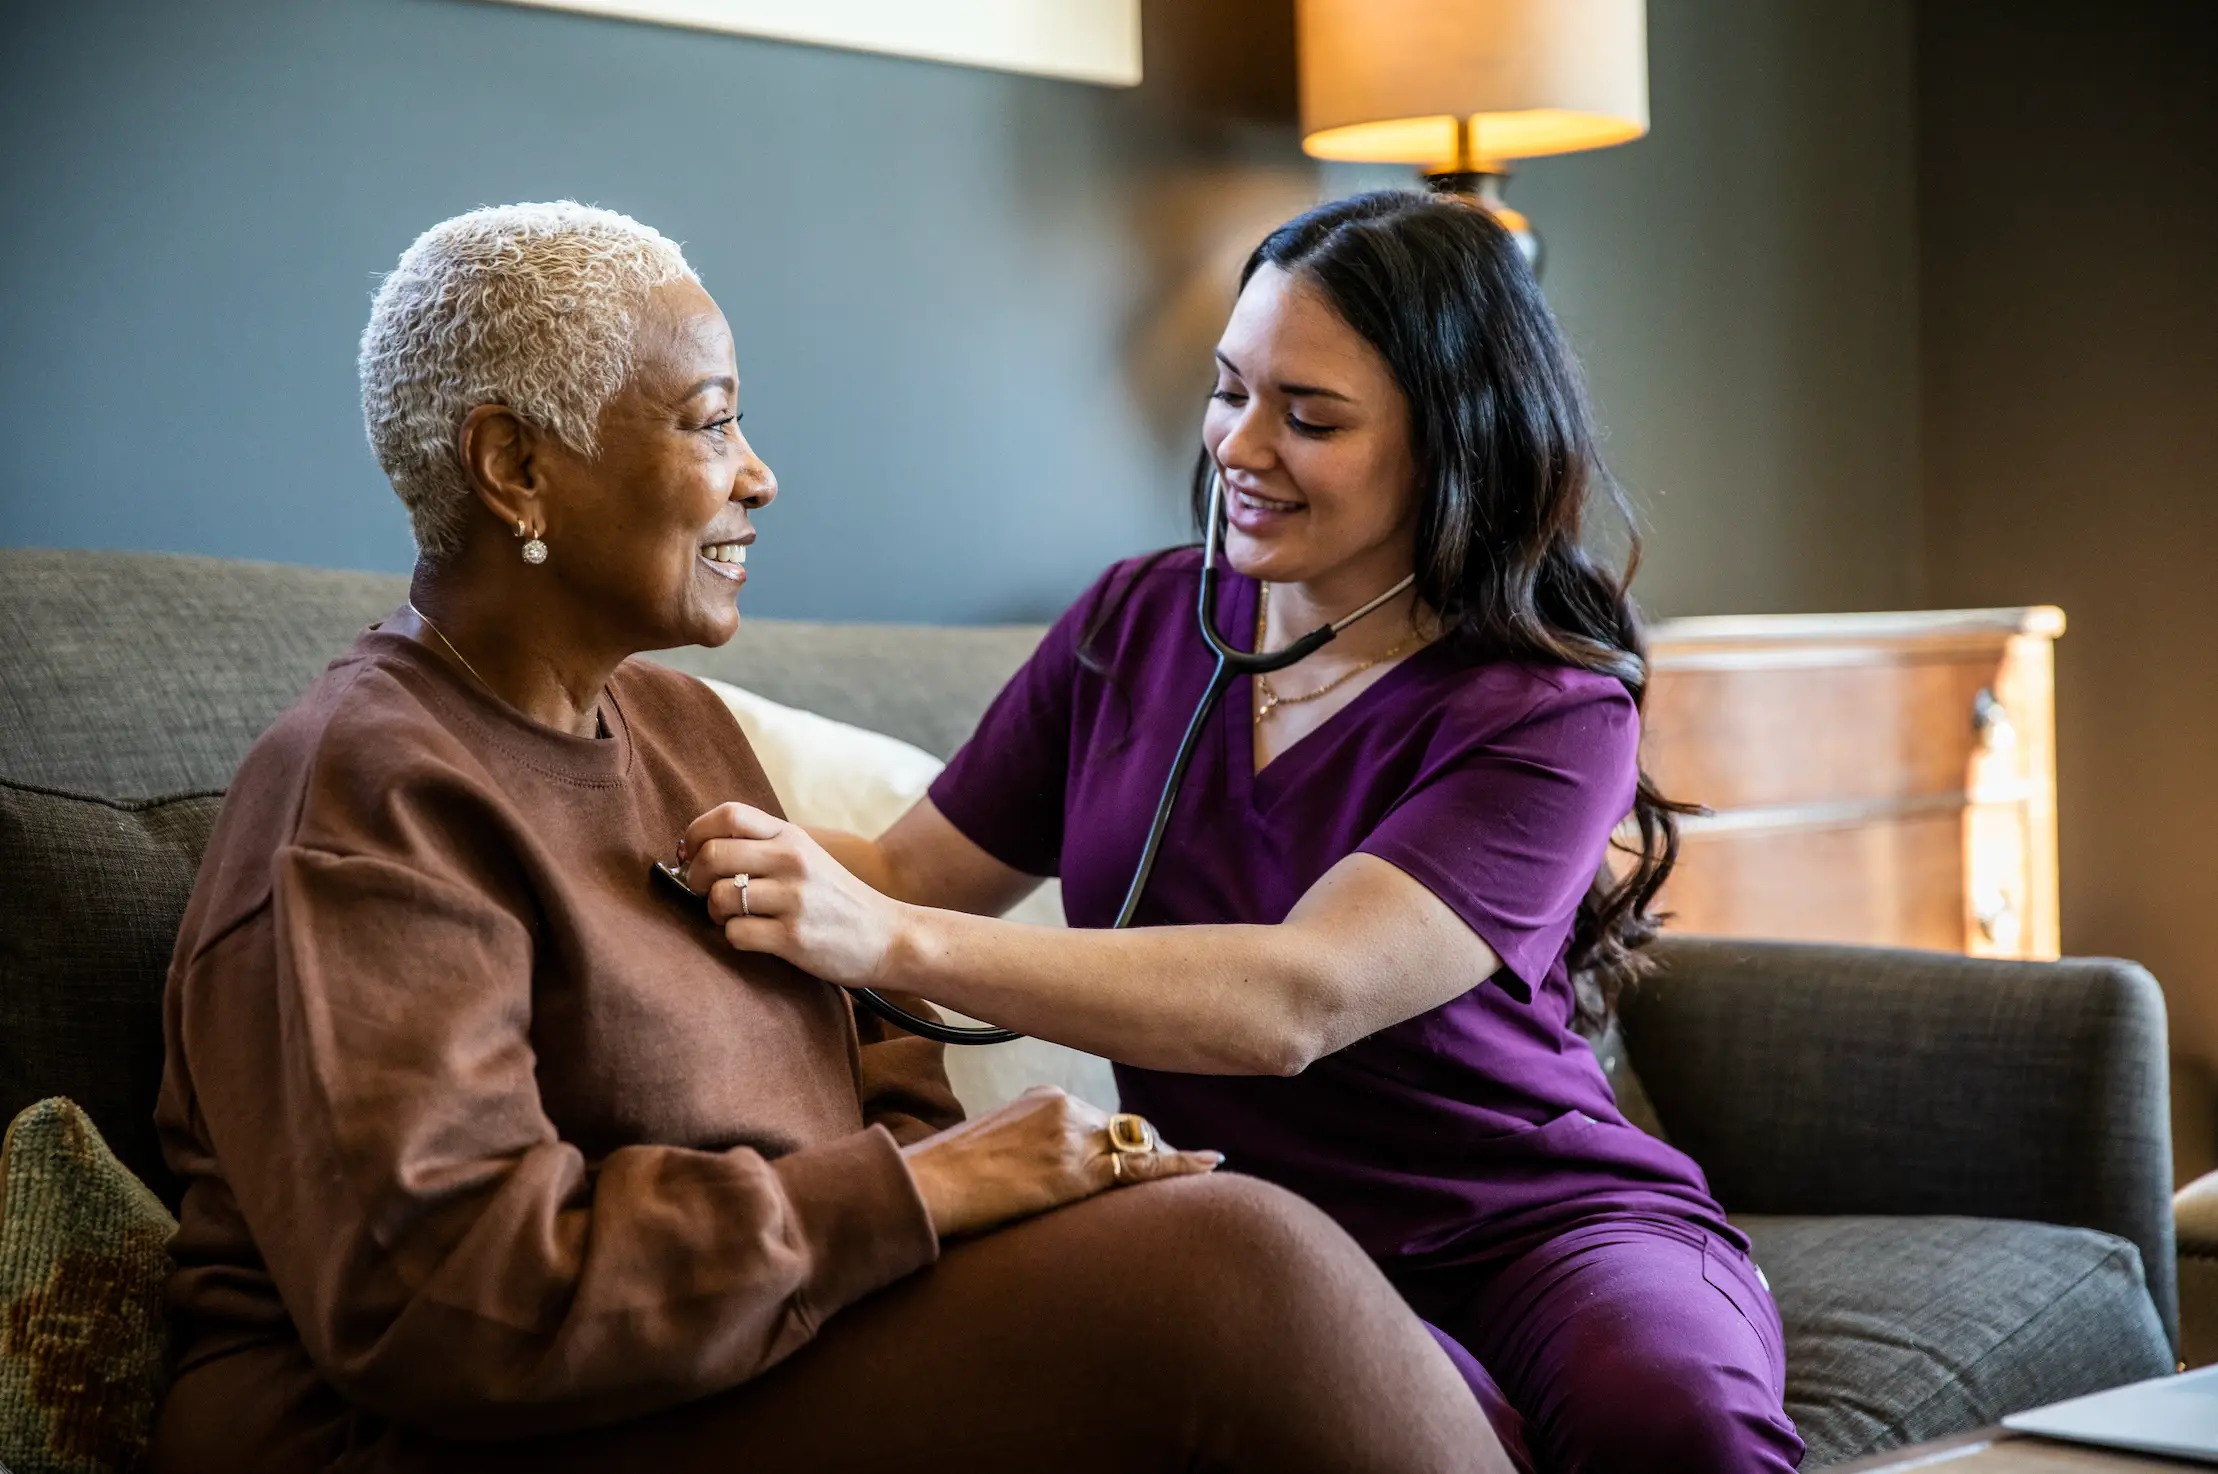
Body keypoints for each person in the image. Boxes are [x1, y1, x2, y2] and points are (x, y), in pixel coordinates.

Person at [148, 202, 1510, 1474]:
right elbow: (450, 1299)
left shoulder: (677, 729)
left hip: (770, 1329)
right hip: (482, 1417)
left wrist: (980, 1184)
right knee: (1235, 1272)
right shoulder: (365, 794)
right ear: (516, 467)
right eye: (708, 420)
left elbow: (881, 1068)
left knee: (1228, 1256)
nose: (759, 474)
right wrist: (927, 1189)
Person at [679, 190, 1806, 1474]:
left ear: (1454, 441)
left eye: (1309, 415)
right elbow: (904, 868)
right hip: (1253, 1233)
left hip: (1540, 1229)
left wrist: (891, 941)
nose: (1239, 445)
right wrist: (628, 815)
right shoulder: (1134, 625)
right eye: (1229, 391)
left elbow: (1298, 998)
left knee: (1674, 1427)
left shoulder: (1546, 711)